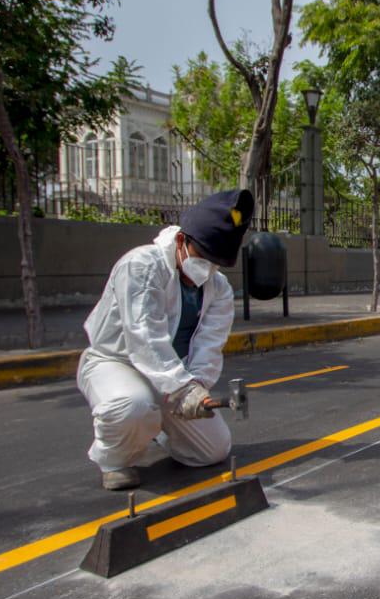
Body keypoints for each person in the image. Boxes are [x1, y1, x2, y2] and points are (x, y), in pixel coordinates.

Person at [77, 189, 253, 490]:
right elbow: (144, 337)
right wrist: (183, 389)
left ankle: (156, 428)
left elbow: (210, 344)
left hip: (174, 376)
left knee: (214, 450)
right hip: (117, 363)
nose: (207, 268)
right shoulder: (142, 266)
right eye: (203, 258)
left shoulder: (219, 288)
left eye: (215, 262)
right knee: (133, 406)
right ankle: (115, 460)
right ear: (182, 240)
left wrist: (197, 387)